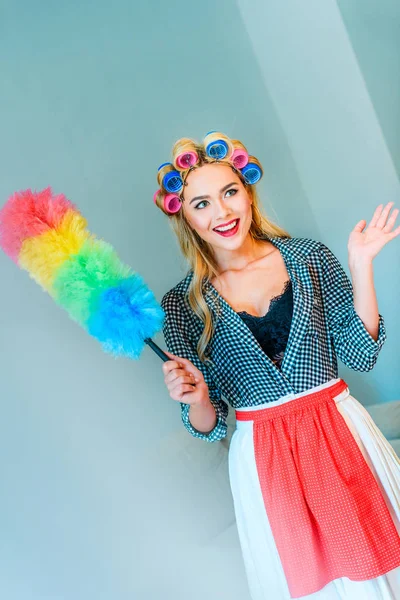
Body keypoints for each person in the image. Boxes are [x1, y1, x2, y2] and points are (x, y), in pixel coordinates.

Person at [154, 131, 400, 599]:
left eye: (229, 193)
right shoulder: (182, 305)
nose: (222, 213)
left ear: (247, 193)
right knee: (313, 586)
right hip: (265, 455)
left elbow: (361, 353)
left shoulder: (308, 258)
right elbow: (207, 427)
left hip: (340, 429)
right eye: (201, 203)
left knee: (382, 571)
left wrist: (361, 263)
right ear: (183, 215)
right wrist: (198, 397)